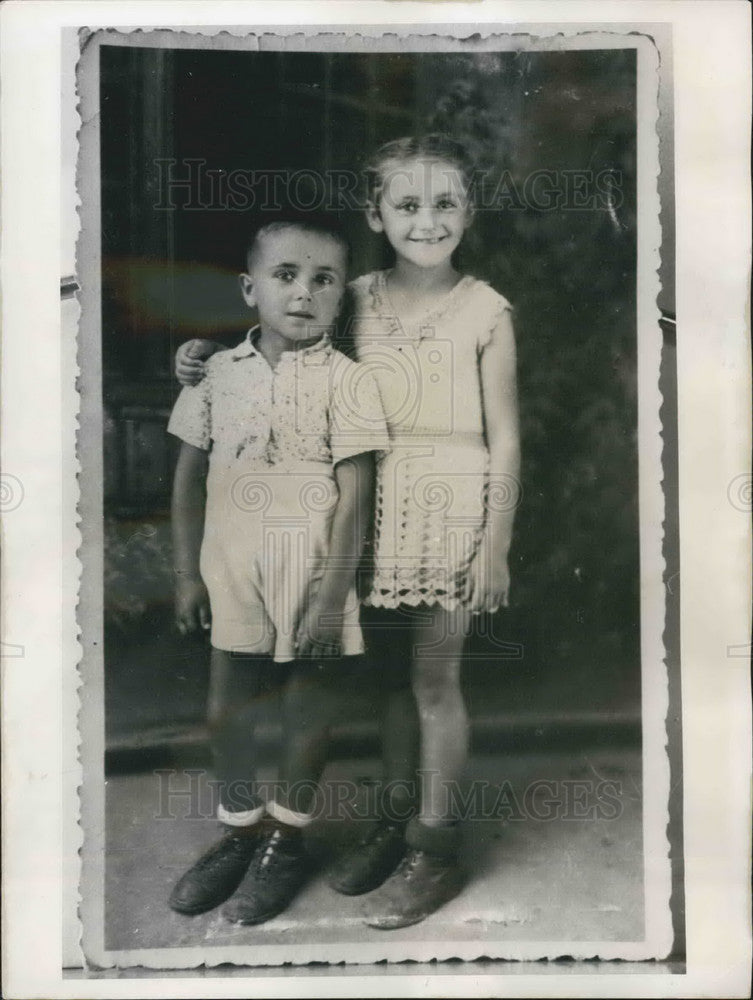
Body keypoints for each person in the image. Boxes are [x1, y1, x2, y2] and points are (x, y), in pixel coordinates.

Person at [175, 134, 520, 929]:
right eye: (407, 204)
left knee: (435, 681)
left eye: (444, 204)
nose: (426, 220)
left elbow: (504, 434)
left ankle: (433, 848)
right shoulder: (352, 291)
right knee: (387, 681)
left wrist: (494, 541)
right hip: (363, 507)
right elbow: (281, 339)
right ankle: (391, 827)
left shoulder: (485, 310)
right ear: (377, 214)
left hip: (451, 508)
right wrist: (197, 360)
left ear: (467, 211)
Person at [167, 214, 389, 926]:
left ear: (338, 297)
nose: (303, 293)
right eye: (285, 275)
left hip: (315, 571)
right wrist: (185, 574)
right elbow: (186, 481)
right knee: (225, 713)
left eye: (322, 279)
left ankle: (283, 842)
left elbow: (357, 492)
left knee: (306, 713)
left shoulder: (349, 381)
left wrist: (334, 591)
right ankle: (239, 832)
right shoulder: (214, 376)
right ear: (249, 288)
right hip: (231, 567)